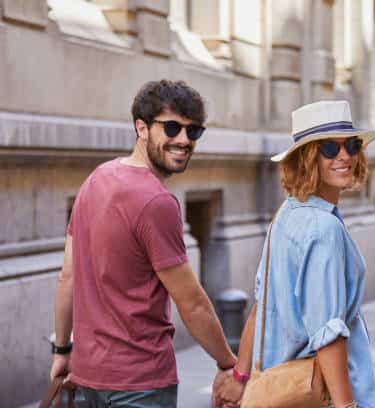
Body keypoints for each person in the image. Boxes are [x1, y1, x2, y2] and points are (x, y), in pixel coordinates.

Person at [50, 80, 237, 407]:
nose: (183, 140)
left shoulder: (96, 179)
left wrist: (63, 350)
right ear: (141, 127)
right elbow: (192, 303)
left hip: (89, 378)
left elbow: (67, 276)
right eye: (172, 127)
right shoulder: (157, 203)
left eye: (193, 132)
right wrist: (230, 365)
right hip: (141, 384)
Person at [214, 100, 375, 408]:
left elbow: (260, 306)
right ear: (307, 158)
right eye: (329, 148)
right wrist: (348, 407)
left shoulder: (288, 214)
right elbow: (328, 334)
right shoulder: (323, 229)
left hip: (280, 390)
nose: (344, 155)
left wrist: (241, 378)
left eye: (352, 145)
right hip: (320, 395)